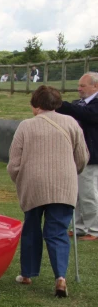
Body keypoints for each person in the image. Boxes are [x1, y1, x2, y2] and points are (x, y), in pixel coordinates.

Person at [7, 86, 89, 297]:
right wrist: (72, 172)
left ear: (36, 104)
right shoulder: (71, 123)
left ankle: (27, 274)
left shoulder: (26, 126)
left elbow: (14, 163)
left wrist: (20, 179)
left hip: (33, 184)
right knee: (57, 232)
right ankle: (60, 277)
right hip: (64, 185)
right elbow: (82, 157)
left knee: (32, 228)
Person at [56, 72, 98, 241]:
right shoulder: (79, 104)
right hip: (77, 155)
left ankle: (94, 229)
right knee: (77, 194)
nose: (79, 89)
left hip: (92, 156)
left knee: (89, 194)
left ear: (95, 86)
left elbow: (86, 114)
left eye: (83, 85)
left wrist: (61, 104)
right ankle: (79, 227)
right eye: (79, 85)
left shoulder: (93, 106)